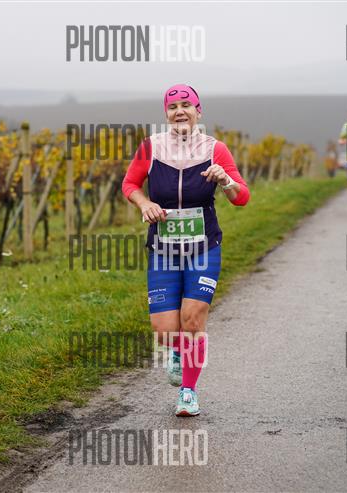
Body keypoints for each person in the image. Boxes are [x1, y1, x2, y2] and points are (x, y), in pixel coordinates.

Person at [121, 84, 250, 416]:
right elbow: (129, 184)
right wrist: (145, 203)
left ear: (198, 111)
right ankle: (177, 351)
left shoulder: (215, 149)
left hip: (203, 247)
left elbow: (242, 197)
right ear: (166, 113)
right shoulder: (151, 147)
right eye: (173, 106)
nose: (179, 111)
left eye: (186, 105)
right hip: (163, 249)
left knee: (192, 320)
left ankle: (188, 393)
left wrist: (225, 181)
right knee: (165, 332)